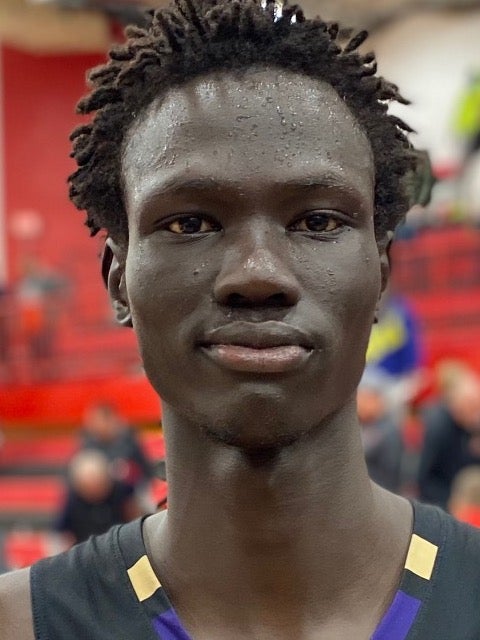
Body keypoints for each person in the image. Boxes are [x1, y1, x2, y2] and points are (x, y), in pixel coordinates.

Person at [2, 1, 480, 638]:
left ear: (381, 273)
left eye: (317, 221)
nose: (258, 274)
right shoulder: (20, 622)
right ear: (118, 282)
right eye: (189, 223)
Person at [418, 364, 480, 509]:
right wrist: (451, 501)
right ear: (454, 406)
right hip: (444, 502)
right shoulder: (438, 428)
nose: (476, 414)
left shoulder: (471, 425)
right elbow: (424, 479)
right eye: (471, 406)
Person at [55, 450, 141, 545]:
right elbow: (62, 534)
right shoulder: (72, 502)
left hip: (122, 544)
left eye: (99, 485)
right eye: (87, 488)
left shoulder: (123, 492)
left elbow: (136, 521)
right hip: (85, 549)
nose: (94, 493)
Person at [80, 401, 156, 496]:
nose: (92, 425)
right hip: (100, 495)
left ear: (110, 420)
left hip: (132, 493)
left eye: (97, 421)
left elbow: (144, 471)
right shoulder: (88, 443)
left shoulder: (128, 439)